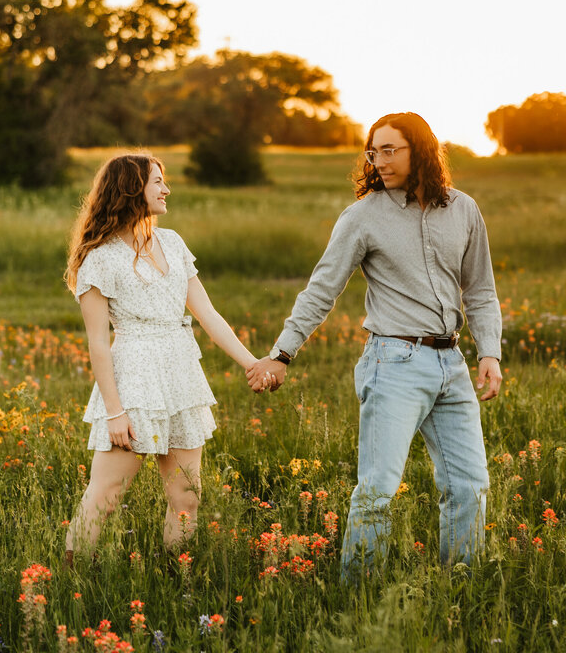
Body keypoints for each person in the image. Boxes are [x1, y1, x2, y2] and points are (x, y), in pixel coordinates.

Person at [248, 112, 503, 580]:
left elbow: (481, 290)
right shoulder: (363, 216)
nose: (378, 160)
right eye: (373, 151)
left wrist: (490, 351)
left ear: (419, 150)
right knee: (378, 490)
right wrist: (282, 353)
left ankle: (462, 589)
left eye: (390, 150)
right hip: (394, 363)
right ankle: (357, 595)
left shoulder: (464, 210)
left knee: (470, 486)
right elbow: (322, 288)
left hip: (453, 363)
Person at [62, 153, 276, 566]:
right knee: (106, 496)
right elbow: (98, 343)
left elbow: (208, 315)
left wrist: (253, 362)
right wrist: (114, 412)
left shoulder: (173, 242)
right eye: (157, 181)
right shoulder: (99, 257)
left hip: (181, 374)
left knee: (185, 497)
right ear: (130, 189)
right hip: (134, 380)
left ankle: (176, 577)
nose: (166, 189)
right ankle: (72, 580)